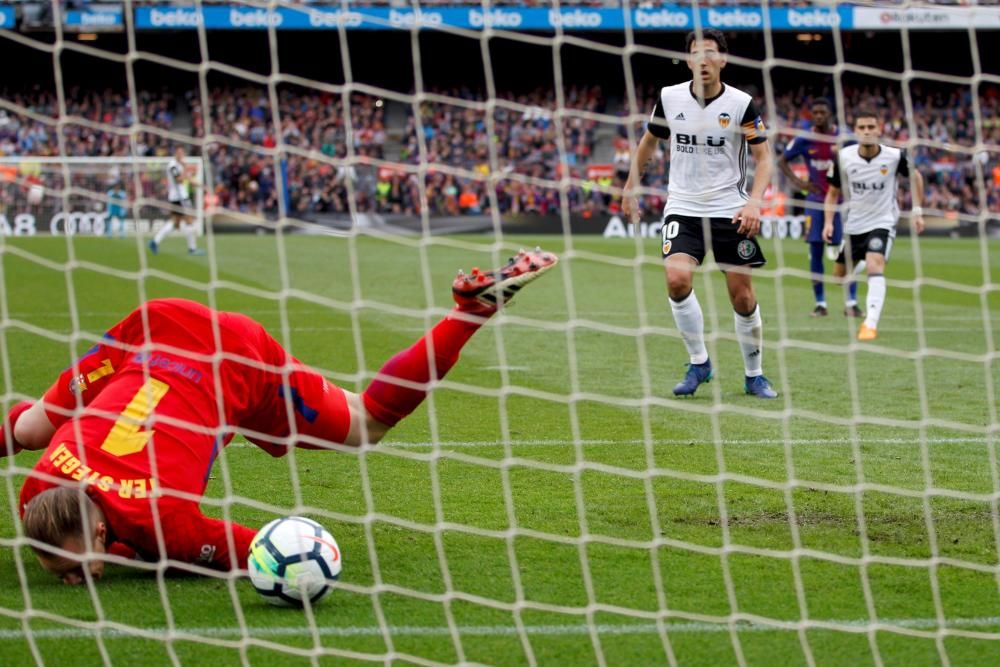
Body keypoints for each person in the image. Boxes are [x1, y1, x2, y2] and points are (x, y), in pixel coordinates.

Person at [2, 248, 557, 584]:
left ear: (100, 528)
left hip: (237, 362)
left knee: (364, 425)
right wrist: (117, 549)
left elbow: (258, 549)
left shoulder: (165, 524)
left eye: (77, 567)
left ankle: (472, 312)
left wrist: (136, 550)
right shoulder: (37, 495)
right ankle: (472, 310)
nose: (77, 579)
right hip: (157, 328)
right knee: (29, 430)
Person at [622, 29, 777, 399]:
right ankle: (699, 362)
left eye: (711, 53)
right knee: (677, 280)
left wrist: (754, 201)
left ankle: (754, 374)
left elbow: (764, 157)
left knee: (741, 295)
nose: (703, 60)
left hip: (729, 209)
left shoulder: (741, 104)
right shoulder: (669, 97)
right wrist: (631, 185)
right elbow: (649, 142)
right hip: (683, 206)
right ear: (688, 60)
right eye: (696, 54)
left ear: (723, 60)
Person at [822, 108, 925, 341]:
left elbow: (916, 177)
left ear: (879, 129)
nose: (867, 131)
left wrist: (917, 211)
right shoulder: (844, 157)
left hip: (883, 221)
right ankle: (858, 265)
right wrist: (828, 223)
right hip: (854, 225)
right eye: (862, 127)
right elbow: (832, 194)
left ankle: (870, 324)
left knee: (875, 265)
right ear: (855, 131)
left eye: (871, 127)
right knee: (839, 277)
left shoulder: (895, 156)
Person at [777, 98, 861, 317]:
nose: (818, 116)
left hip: (841, 203)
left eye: (822, 112)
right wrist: (800, 183)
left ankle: (851, 302)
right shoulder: (804, 139)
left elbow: (861, 158)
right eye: (815, 112)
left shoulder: (845, 137)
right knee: (815, 252)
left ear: (830, 114)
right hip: (814, 202)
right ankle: (820, 304)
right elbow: (782, 161)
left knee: (847, 253)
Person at [149, 146, 203, 256]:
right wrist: (186, 168)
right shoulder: (172, 165)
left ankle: (155, 241)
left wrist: (195, 182)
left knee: (175, 223)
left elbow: (185, 178)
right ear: (175, 153)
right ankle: (192, 249)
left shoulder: (179, 165)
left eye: (182, 153)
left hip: (178, 197)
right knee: (189, 220)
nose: (181, 155)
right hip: (179, 197)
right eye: (179, 153)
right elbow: (179, 180)